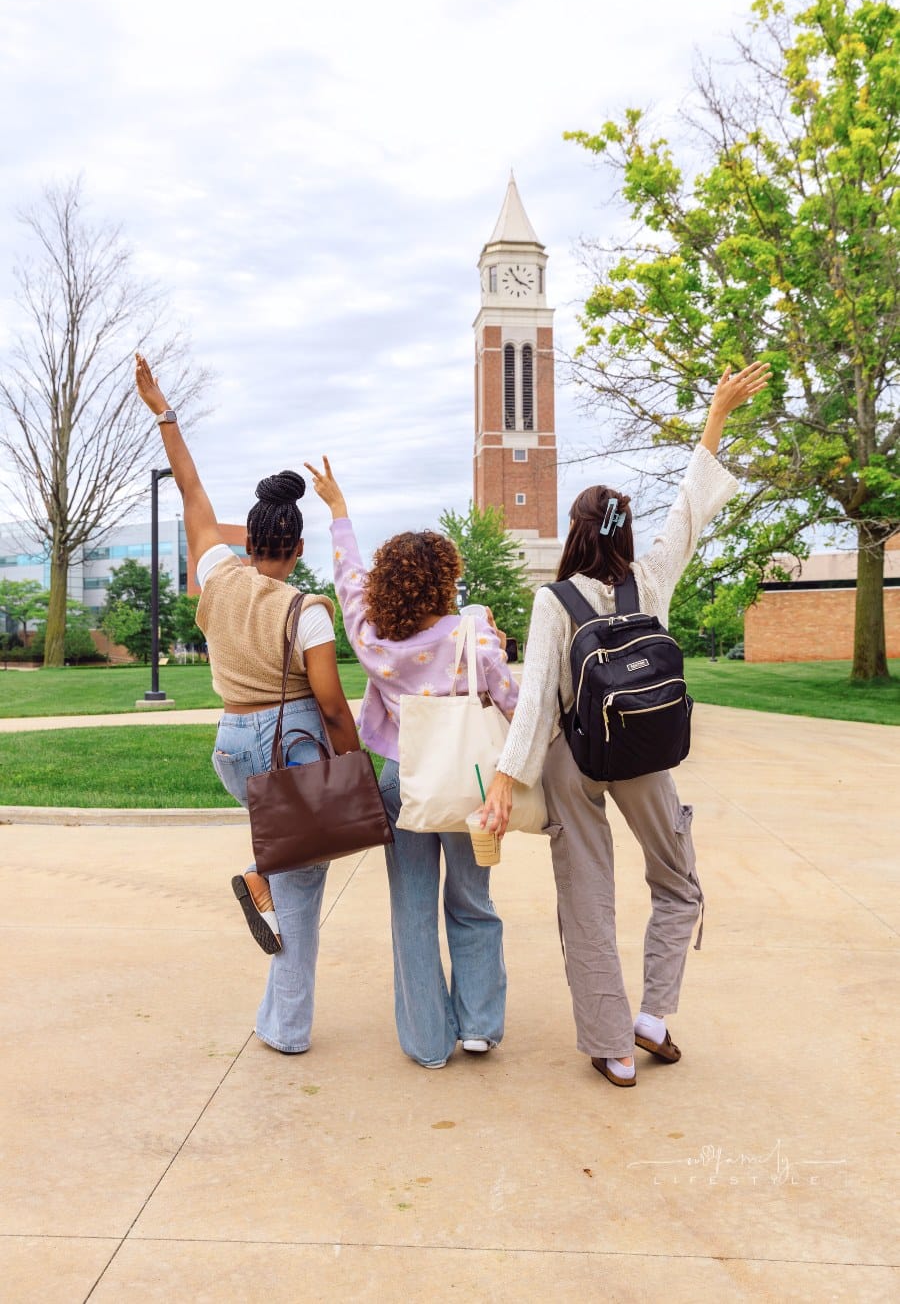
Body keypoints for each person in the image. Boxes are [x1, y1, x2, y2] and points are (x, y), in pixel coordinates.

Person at [481, 362, 771, 1087]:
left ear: (574, 533)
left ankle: (612, 1047)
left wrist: (503, 786)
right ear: (623, 532)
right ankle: (653, 1014)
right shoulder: (654, 574)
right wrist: (716, 417)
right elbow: (689, 510)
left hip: (574, 758)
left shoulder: (555, 603)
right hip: (643, 749)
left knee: (588, 898)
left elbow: (539, 704)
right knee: (679, 884)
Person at [134, 354, 359, 1055]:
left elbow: (192, 492)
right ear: (293, 548)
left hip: (232, 746)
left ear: (250, 539)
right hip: (286, 749)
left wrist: (163, 411)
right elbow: (329, 705)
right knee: (305, 882)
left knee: (291, 856)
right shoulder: (307, 611)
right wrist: (350, 760)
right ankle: (286, 1030)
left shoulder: (215, 576)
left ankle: (264, 870)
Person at [305, 456, 517, 1069]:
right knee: (473, 901)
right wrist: (495, 643)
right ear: (446, 580)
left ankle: (427, 1041)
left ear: (389, 586)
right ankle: (478, 1024)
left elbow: (348, 581)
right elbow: (514, 704)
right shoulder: (471, 637)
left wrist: (339, 511)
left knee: (413, 910)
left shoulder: (373, 640)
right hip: (471, 787)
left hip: (404, 784)